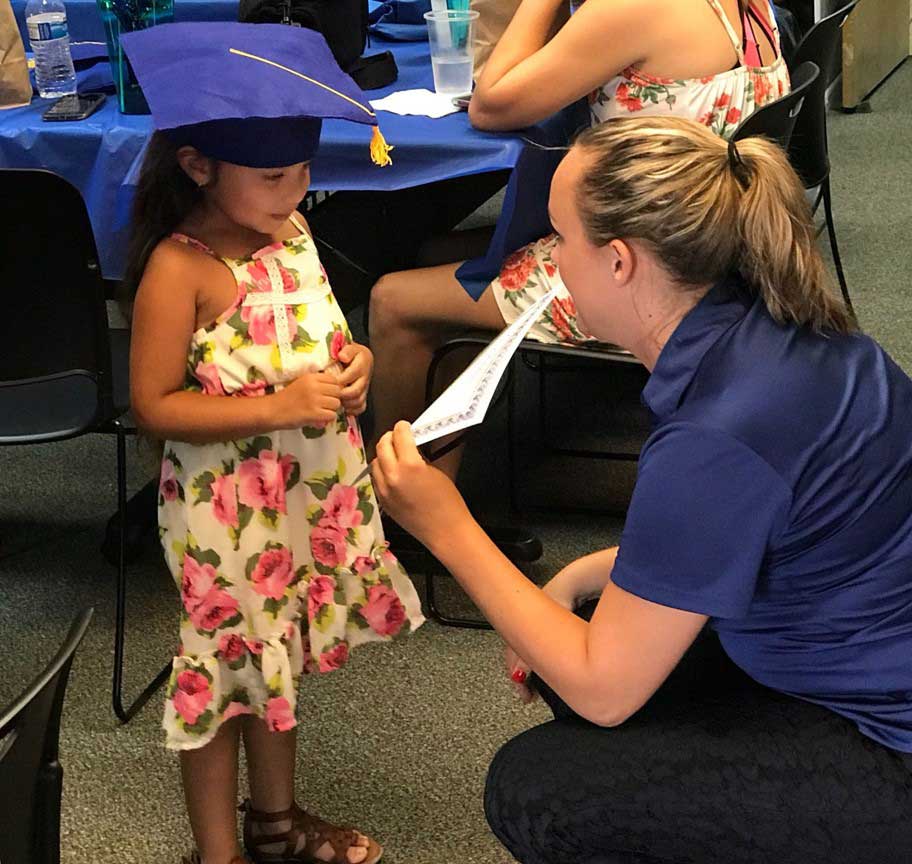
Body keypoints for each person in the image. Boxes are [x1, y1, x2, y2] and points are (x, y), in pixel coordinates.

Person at [370, 116, 912, 864]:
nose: (551, 260)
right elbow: (753, 526)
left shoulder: (717, 432)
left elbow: (605, 690)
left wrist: (445, 525)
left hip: (888, 743)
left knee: (535, 791)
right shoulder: (778, 329)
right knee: (575, 625)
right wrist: (580, 573)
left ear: (621, 262)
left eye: (559, 238)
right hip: (857, 637)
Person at [123, 22, 423, 864]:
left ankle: (276, 827)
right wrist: (280, 405)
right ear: (198, 166)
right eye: (270, 177)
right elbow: (153, 405)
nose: (292, 193)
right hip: (226, 523)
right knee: (225, 680)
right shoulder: (179, 270)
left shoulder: (288, 234)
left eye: (301, 173)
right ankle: (219, 854)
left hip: (297, 499)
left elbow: (316, 342)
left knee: (278, 658)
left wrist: (353, 366)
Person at [368, 0, 791, 478]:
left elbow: (490, 104)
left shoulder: (633, 7)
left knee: (392, 300)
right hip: (717, 249)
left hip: (651, 276)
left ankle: (403, 508)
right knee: (438, 254)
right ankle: (438, 471)